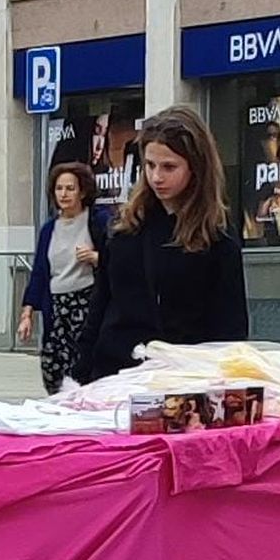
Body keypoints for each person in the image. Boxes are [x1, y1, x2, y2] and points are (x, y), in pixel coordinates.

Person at [72, 106, 249, 384]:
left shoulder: (217, 238)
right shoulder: (123, 227)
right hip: (113, 374)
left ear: (196, 166)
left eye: (169, 167)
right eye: (150, 165)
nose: (156, 177)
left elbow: (230, 328)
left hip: (183, 381)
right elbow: (101, 303)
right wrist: (78, 376)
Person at [18, 162, 108, 394]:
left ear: (83, 191)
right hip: (57, 307)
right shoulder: (49, 229)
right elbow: (39, 272)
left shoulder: (98, 221)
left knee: (83, 365)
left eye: (70, 188)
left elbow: (117, 261)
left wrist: (97, 257)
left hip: (87, 303)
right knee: (52, 366)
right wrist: (27, 312)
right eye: (59, 189)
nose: (64, 194)